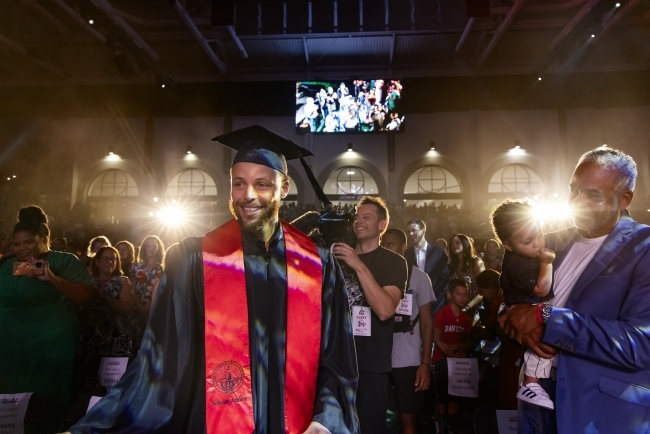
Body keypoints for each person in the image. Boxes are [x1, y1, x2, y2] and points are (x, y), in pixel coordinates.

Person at [68, 125, 358, 434]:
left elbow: (337, 359)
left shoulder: (317, 263)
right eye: (239, 183)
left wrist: (325, 421)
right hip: (216, 420)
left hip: (299, 424)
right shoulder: (194, 260)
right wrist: (93, 427)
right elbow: (159, 359)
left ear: (283, 188)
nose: (248, 195)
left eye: (261, 184)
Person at [499, 148, 650, 434]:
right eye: (573, 191)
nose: (576, 202)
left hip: (599, 413)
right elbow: (513, 300)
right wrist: (510, 315)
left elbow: (641, 345)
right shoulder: (550, 241)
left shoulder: (643, 246)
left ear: (624, 198)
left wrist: (546, 316)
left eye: (592, 195)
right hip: (534, 397)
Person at [0, 206, 95, 433]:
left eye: (29, 242)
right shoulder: (7, 266)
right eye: (17, 244)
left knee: (44, 402)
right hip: (9, 348)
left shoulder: (64, 261)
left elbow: (85, 296)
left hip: (48, 347)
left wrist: (52, 279)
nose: (22, 248)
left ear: (44, 239)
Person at [333, 196, 407, 434]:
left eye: (367, 217)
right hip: (335, 363)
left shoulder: (394, 262)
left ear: (382, 225)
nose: (359, 221)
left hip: (370, 366)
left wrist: (358, 264)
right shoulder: (337, 258)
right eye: (356, 217)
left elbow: (385, 310)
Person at [490, 199, 556, 409]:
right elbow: (541, 289)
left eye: (540, 234)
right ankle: (531, 383)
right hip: (526, 308)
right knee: (540, 348)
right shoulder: (520, 264)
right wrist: (546, 263)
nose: (538, 243)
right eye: (528, 242)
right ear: (508, 245)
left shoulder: (528, 251)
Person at [381, 229, 435, 434]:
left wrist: (425, 362)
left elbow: (428, 321)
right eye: (383, 244)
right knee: (374, 416)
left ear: (404, 247)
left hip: (409, 358)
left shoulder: (419, 278)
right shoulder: (373, 275)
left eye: (391, 244)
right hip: (379, 356)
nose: (387, 248)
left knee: (408, 418)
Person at [80, 246, 137, 390]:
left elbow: (126, 309)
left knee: (113, 387)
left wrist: (103, 297)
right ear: (97, 262)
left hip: (115, 341)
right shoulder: (87, 281)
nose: (109, 262)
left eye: (113, 259)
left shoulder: (123, 281)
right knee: (89, 384)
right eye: (105, 258)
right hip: (90, 339)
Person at [432, 279, 473, 415]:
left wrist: (457, 348)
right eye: (458, 294)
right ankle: (440, 428)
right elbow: (435, 337)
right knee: (441, 399)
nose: (462, 298)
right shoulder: (442, 314)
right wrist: (447, 351)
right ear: (449, 295)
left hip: (458, 364)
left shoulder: (466, 319)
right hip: (441, 362)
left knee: (455, 400)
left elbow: (468, 342)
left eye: (465, 294)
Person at [404, 219, 449, 314]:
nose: (410, 234)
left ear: (423, 231)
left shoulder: (439, 252)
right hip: (413, 305)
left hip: (436, 303)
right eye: (408, 231)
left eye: (414, 230)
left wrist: (433, 296)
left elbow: (445, 278)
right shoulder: (406, 254)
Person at [448, 233, 485, 305]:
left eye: (457, 242)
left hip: (475, 306)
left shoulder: (476, 262)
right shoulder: (451, 266)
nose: (454, 245)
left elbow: (483, 290)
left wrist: (468, 307)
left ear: (465, 243)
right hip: (457, 307)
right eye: (452, 244)